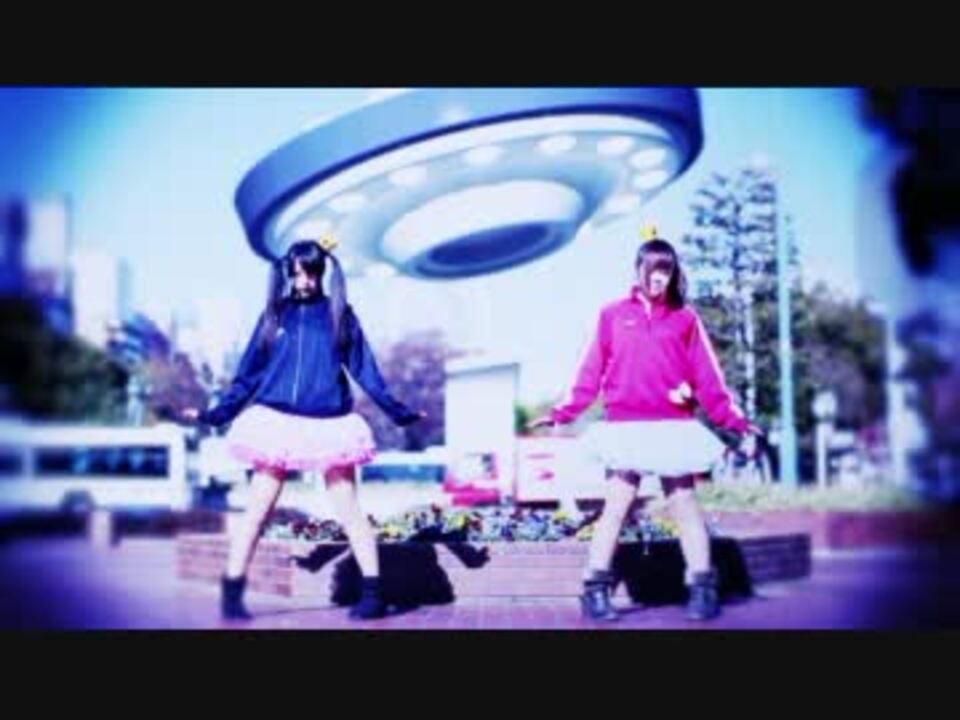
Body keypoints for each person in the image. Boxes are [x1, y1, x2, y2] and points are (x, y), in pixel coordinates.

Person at [183, 237, 423, 621]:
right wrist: (216, 414)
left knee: (349, 509)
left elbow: (366, 371)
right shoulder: (274, 316)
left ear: (321, 272)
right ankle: (232, 592)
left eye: (310, 273)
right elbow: (247, 375)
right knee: (257, 510)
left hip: (330, 426)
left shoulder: (339, 315)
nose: (304, 281)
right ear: (287, 274)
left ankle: (373, 595)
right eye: (296, 274)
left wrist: (400, 412)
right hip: (274, 424)